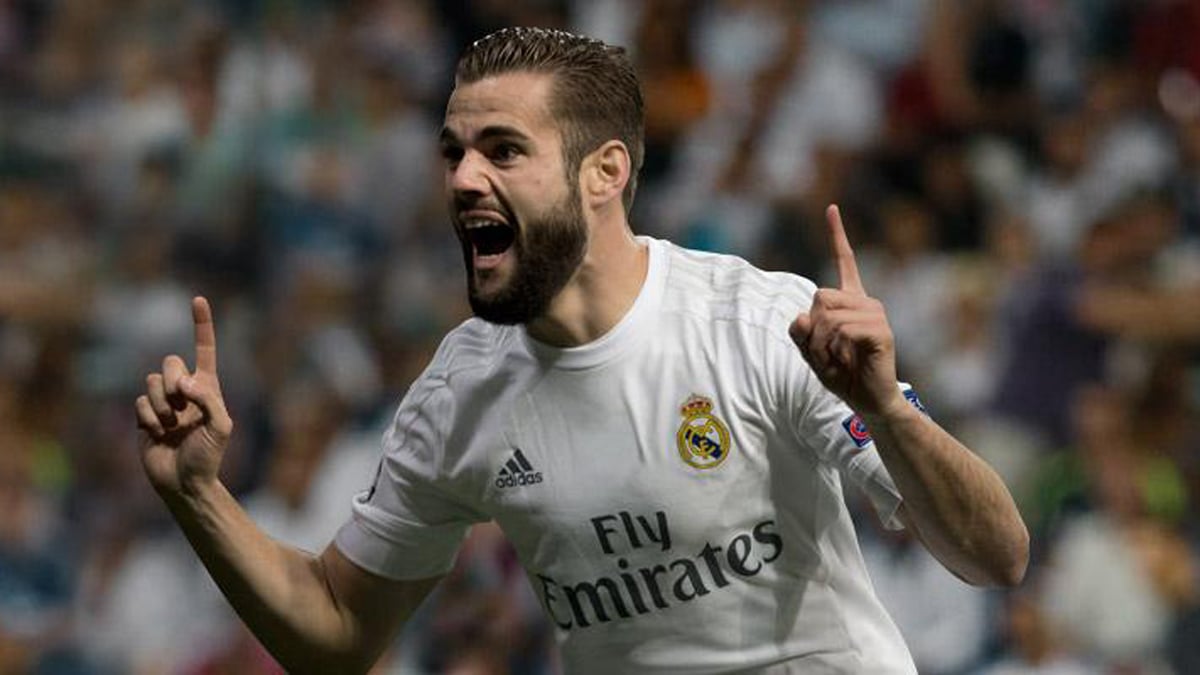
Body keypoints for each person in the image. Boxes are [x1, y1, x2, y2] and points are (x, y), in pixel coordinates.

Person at [134, 27, 1028, 674]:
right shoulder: (458, 396)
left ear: (604, 173)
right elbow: (334, 633)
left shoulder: (759, 324)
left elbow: (996, 556)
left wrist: (886, 411)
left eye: (503, 150)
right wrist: (198, 496)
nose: (462, 178)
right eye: (452, 152)